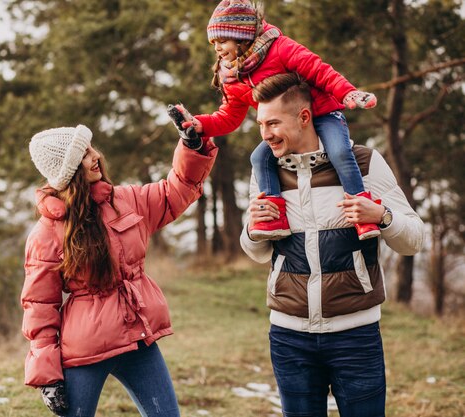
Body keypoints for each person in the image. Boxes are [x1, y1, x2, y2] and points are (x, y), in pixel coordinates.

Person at [240, 73, 424, 416]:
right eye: (261, 124)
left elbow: (414, 240)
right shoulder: (265, 171)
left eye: (274, 123)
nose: (265, 134)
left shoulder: (364, 163)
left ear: (304, 117)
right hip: (289, 337)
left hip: (356, 336)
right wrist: (252, 229)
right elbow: (257, 252)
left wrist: (381, 215)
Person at [22, 124, 217, 417]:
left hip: (138, 338)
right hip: (86, 350)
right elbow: (40, 306)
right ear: (69, 169)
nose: (95, 157)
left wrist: (193, 146)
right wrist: (47, 376)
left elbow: (174, 192)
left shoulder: (126, 200)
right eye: (83, 155)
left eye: (91, 148)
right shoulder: (46, 233)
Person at [178, 0, 379, 242]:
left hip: (324, 113)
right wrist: (201, 125)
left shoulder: (280, 48)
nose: (217, 49)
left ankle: (362, 210)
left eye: (222, 41)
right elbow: (230, 116)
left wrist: (347, 92)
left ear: (241, 37)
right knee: (259, 157)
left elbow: (319, 70)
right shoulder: (232, 75)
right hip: (286, 128)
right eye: (214, 44)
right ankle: (274, 215)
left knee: (339, 152)